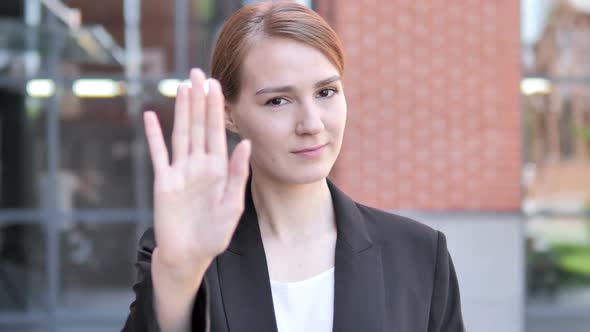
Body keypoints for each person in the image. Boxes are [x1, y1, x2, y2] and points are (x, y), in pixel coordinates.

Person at [122, 1, 465, 331]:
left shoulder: (418, 254)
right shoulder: (183, 250)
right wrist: (179, 279)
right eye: (278, 101)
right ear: (228, 113)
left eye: (326, 92)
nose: (311, 123)